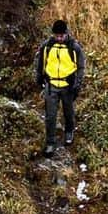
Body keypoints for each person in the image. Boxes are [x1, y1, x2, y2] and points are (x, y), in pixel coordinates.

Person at [35, 19, 85, 155]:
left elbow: (81, 67)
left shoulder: (74, 47)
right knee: (50, 116)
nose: (59, 38)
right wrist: (39, 77)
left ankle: (69, 132)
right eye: (56, 36)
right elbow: (40, 63)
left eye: (61, 36)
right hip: (51, 86)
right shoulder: (47, 46)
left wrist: (77, 83)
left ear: (66, 33)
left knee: (68, 112)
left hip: (68, 86)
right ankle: (50, 142)